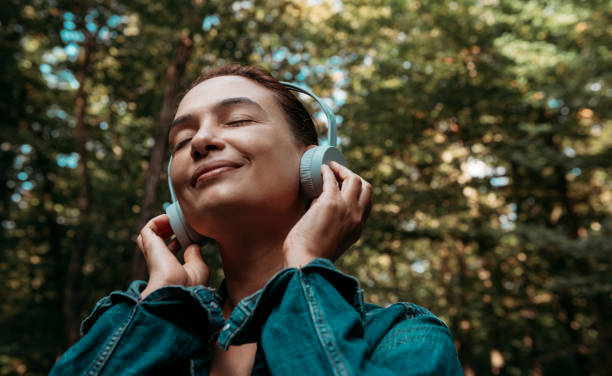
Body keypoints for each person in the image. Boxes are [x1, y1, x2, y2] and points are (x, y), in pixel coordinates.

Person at [49, 64, 462, 375]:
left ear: (317, 164)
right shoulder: (142, 329)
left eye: (239, 120)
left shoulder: (404, 336)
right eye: (181, 140)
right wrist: (159, 303)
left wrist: (304, 266)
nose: (201, 142)